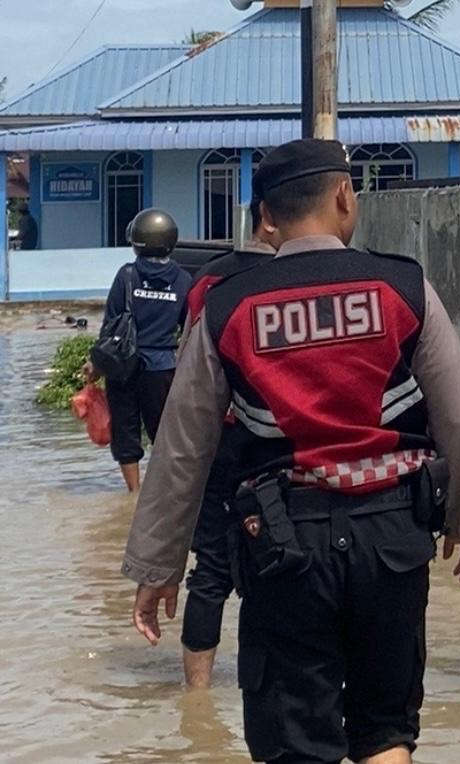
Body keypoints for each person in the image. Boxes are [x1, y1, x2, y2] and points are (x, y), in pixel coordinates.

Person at [120, 139, 460, 763]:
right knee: (385, 731)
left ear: (266, 216)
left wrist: (157, 566)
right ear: (346, 197)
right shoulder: (404, 285)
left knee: (296, 743)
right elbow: (458, 417)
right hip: (393, 537)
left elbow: (183, 449)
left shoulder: (228, 304)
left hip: (280, 543)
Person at [180, 197, 278, 689]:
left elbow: (190, 368)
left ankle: (196, 701)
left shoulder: (206, 280)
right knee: (283, 562)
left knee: (211, 567)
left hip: (213, 440)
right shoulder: (297, 278)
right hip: (274, 442)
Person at [85, 208, 190, 491]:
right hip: (162, 368)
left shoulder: (127, 275)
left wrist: (95, 365)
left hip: (122, 367)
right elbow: (190, 327)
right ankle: (168, 491)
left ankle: (134, 495)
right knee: (164, 435)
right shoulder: (182, 279)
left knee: (126, 432)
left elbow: (110, 325)